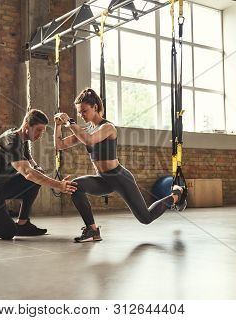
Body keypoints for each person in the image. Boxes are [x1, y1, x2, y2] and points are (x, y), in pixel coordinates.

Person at [54, 88, 184, 243]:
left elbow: (89, 140)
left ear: (95, 107)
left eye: (84, 111)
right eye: (79, 112)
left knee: (146, 218)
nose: (81, 115)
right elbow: (60, 145)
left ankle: (177, 195)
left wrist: (70, 122)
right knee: (75, 187)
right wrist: (57, 126)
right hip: (102, 179)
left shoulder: (107, 127)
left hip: (119, 177)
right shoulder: (86, 129)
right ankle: (93, 230)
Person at [0, 109, 77, 240]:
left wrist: (36, 167)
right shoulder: (11, 141)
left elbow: (30, 162)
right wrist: (59, 185)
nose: (40, 135)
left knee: (35, 179)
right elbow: (28, 173)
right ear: (27, 126)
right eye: (38, 130)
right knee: (7, 232)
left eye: (43, 131)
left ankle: (23, 224)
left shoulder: (22, 139)